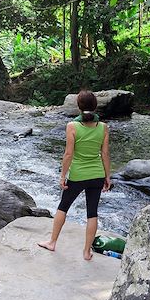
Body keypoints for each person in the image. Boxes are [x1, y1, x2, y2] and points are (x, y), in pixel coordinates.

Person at [37, 90, 111, 261]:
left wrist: (63, 176)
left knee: (63, 207)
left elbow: (68, 154)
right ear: (95, 106)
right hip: (97, 175)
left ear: (78, 106)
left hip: (77, 175)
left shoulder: (72, 126)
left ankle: (52, 242)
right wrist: (108, 176)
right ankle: (86, 252)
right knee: (92, 213)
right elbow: (105, 154)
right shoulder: (103, 127)